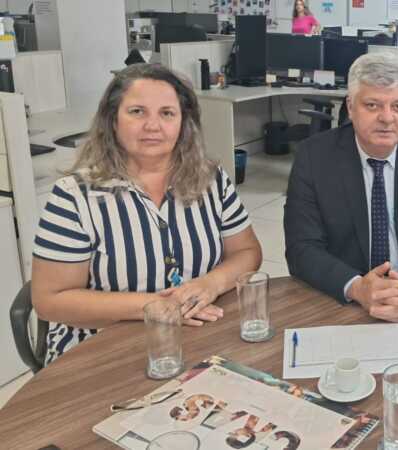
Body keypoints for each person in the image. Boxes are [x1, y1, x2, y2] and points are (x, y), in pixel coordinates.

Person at [31, 64, 262, 364]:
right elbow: (50, 300)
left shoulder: (211, 180)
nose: (153, 125)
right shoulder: (74, 196)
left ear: (183, 124)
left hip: (195, 338)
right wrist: (154, 306)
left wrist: (211, 283)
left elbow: (247, 252)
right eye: (137, 112)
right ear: (112, 120)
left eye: (167, 113)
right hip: (100, 352)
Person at [284, 52, 398, 322]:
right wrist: (357, 287)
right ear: (350, 107)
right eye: (372, 105)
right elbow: (301, 247)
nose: (387, 118)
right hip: (344, 299)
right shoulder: (314, 156)